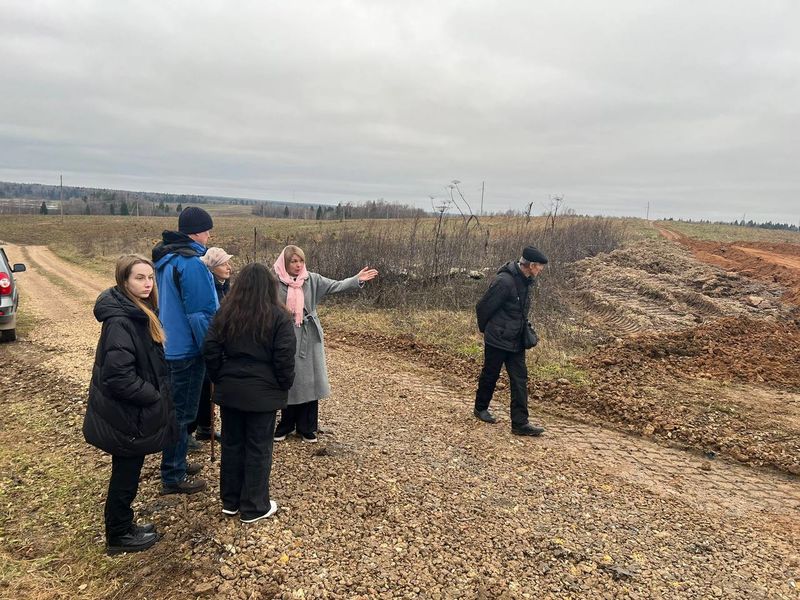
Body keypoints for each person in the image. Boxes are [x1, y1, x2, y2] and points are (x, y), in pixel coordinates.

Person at [83, 255, 177, 555]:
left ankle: (124, 524)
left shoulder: (140, 310)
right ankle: (118, 534)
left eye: (150, 277)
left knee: (129, 471)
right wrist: (153, 395)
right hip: (126, 415)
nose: (148, 283)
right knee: (125, 473)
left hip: (130, 413)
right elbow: (117, 377)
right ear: (124, 281)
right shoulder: (121, 320)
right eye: (139, 278)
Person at [203, 263, 296, 522]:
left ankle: (231, 501)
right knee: (258, 448)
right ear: (270, 287)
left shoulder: (225, 313)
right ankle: (254, 506)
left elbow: (210, 348)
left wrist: (220, 376)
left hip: (231, 391)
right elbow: (285, 359)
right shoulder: (279, 317)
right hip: (262, 395)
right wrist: (282, 385)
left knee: (232, 445)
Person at [272, 245, 378, 442]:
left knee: (310, 380)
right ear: (285, 263)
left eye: (301, 261)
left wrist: (356, 280)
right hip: (285, 334)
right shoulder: (275, 282)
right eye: (293, 261)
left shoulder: (312, 279)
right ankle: (286, 424)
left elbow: (335, 286)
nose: (298, 265)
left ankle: (307, 427)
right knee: (290, 379)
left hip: (309, 334)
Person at [152, 207, 218, 494]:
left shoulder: (167, 258)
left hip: (171, 343)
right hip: (188, 349)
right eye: (207, 230)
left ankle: (176, 462)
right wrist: (211, 349)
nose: (209, 235)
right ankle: (173, 475)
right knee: (182, 414)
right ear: (195, 232)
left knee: (177, 410)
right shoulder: (191, 263)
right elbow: (200, 314)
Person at [474, 245, 548, 436]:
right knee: (490, 374)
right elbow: (483, 307)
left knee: (519, 380)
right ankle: (480, 408)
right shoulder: (504, 282)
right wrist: (487, 331)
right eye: (540, 267)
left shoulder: (526, 281)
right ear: (531, 265)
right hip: (497, 339)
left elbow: (519, 312)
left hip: (516, 340)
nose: (541, 271)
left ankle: (520, 424)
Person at [189, 247, 234, 447]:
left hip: (221, 340)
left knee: (209, 385)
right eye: (224, 264)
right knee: (202, 385)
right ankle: (198, 428)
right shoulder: (208, 286)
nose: (229, 267)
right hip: (208, 340)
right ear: (213, 267)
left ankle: (205, 427)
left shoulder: (226, 286)